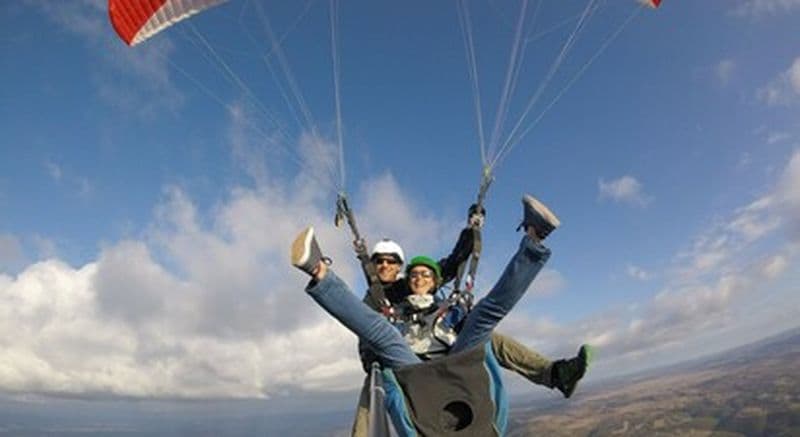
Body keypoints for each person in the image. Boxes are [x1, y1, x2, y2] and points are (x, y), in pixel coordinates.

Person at [292, 194, 580, 436]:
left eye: (392, 262)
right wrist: (375, 360)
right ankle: (318, 271)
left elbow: (454, 261)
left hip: (455, 357)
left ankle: (535, 238)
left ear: (431, 279)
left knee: (485, 316)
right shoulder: (381, 300)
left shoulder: (440, 300)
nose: (386, 266)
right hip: (413, 367)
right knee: (382, 337)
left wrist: (471, 229)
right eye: (379, 261)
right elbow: (368, 327)